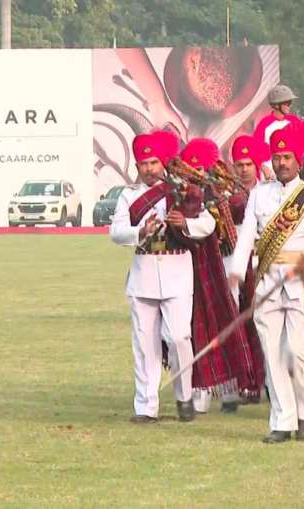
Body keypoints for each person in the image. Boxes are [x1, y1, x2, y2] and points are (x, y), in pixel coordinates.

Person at [228, 119, 304, 444]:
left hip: (302, 284)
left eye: (287, 157)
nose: (281, 163)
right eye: (277, 158)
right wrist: (237, 273)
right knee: (272, 353)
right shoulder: (259, 195)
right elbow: (247, 235)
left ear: (298, 161)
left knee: (298, 352)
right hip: (267, 280)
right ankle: (282, 420)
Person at [109, 130, 217, 424]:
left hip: (177, 271)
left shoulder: (182, 190)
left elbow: (208, 222)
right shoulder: (129, 195)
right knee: (144, 345)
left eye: (154, 162)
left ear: (163, 163)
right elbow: (116, 232)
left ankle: (184, 396)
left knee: (179, 336)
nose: (149, 169)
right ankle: (146, 406)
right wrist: (139, 232)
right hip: (143, 271)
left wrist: (186, 223)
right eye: (143, 163)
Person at [178, 138, 258, 416]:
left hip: (226, 262)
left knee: (227, 321)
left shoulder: (225, 189)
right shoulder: (185, 190)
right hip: (194, 264)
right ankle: (202, 391)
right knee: (197, 325)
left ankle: (232, 389)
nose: (195, 171)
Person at [225, 134, 270, 404]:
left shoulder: (269, 192)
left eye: (247, 164)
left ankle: (265, 381)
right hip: (234, 264)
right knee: (235, 324)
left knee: (261, 324)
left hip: (262, 263)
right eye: (239, 165)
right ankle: (240, 383)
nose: (243, 170)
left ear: (256, 165)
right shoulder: (224, 193)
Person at [253, 84, 301, 180]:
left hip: (292, 174)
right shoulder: (264, 125)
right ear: (275, 105)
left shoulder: (295, 121)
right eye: (287, 103)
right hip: (271, 175)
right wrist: (264, 168)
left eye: (290, 102)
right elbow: (255, 152)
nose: (289, 105)